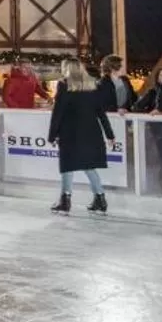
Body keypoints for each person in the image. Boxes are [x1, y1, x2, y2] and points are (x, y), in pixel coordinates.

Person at [48, 59, 114, 213]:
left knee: (67, 166)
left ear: (67, 69)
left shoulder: (65, 85)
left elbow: (58, 112)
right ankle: (100, 198)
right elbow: (101, 113)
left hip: (70, 133)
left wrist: (52, 135)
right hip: (91, 132)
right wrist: (109, 134)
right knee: (88, 165)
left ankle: (65, 200)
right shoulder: (93, 85)